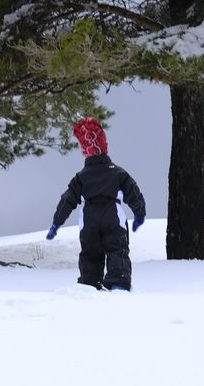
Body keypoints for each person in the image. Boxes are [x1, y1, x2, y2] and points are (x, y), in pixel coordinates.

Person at [46, 117, 146, 291]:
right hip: (112, 215)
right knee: (117, 248)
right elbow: (133, 192)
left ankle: (89, 283)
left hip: (89, 218)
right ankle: (118, 281)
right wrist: (139, 212)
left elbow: (67, 200)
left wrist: (57, 222)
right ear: (104, 145)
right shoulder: (117, 172)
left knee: (90, 252)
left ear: (85, 150)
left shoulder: (81, 176)